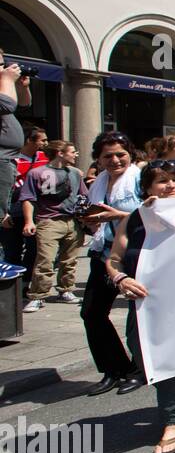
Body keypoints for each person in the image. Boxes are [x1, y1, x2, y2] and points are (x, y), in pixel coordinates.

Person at [105, 159, 175, 453]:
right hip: (146, 304)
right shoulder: (136, 219)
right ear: (146, 188)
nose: (171, 186)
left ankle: (173, 422)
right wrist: (120, 278)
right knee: (143, 354)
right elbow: (114, 258)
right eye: (162, 181)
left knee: (173, 357)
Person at [80, 132, 147, 396]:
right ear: (99, 158)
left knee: (137, 318)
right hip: (103, 253)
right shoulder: (98, 183)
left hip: (134, 254)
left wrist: (116, 215)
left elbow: (153, 212)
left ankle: (139, 369)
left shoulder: (140, 179)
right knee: (92, 313)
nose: (115, 160)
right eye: (108, 156)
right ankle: (114, 368)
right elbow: (95, 215)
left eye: (121, 154)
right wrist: (89, 222)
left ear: (130, 154)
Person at [19, 140, 87, 312]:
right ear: (60, 153)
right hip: (48, 221)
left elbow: (84, 197)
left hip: (72, 221)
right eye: (72, 151)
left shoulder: (75, 173)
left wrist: (87, 220)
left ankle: (65, 290)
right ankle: (38, 295)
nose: (76, 154)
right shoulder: (36, 173)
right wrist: (29, 221)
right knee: (45, 260)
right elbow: (28, 198)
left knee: (70, 260)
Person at [2, 125, 48, 282]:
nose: (46, 143)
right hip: (12, 211)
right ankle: (11, 287)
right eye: (43, 140)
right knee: (12, 250)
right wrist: (3, 213)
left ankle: (26, 282)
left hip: (36, 211)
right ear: (29, 140)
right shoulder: (8, 159)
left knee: (35, 249)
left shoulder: (45, 157)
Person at [0, 53, 34, 210]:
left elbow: (24, 104)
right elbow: (7, 105)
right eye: (1, 66)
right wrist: (7, 79)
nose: (4, 69)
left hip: (7, 160)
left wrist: (22, 87)